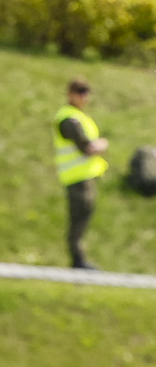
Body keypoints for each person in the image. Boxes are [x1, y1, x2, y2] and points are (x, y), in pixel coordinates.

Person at [56, 78, 109, 270]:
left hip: (84, 176)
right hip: (76, 177)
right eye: (80, 91)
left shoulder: (79, 116)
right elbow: (86, 147)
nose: (83, 96)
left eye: (86, 91)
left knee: (84, 216)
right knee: (78, 218)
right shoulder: (69, 118)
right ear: (70, 93)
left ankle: (79, 259)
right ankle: (78, 260)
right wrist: (101, 145)